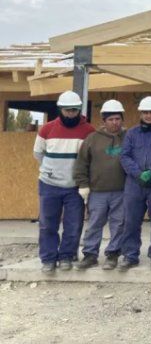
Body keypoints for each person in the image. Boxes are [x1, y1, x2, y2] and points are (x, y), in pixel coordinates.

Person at [33, 91, 95, 274]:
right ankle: (49, 259)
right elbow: (38, 153)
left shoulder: (88, 131)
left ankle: (66, 256)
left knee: (73, 224)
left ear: (79, 110)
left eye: (74, 110)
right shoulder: (46, 129)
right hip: (49, 184)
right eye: (67, 110)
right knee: (47, 223)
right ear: (60, 109)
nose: (70, 113)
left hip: (75, 186)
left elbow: (90, 158)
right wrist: (52, 170)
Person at [119, 96, 151, 271]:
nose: (149, 115)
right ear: (141, 113)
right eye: (146, 112)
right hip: (134, 183)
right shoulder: (132, 133)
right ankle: (130, 255)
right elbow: (124, 156)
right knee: (131, 221)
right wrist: (138, 173)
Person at [73, 100, 126, 271]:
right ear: (104, 121)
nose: (114, 122)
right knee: (95, 223)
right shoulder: (92, 139)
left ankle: (113, 255)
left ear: (122, 119)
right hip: (97, 191)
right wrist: (83, 185)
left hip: (122, 190)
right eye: (110, 119)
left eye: (118, 119)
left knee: (118, 224)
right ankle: (90, 255)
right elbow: (81, 164)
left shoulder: (128, 137)